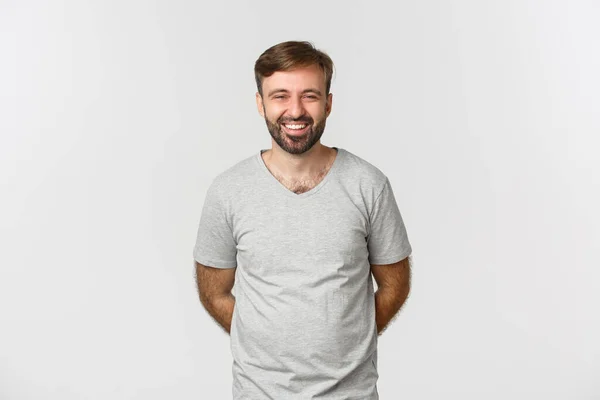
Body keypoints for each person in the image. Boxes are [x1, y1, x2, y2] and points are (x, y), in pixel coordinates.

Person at [193, 40, 413, 399]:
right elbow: (213, 290)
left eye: (309, 96)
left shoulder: (368, 184)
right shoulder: (228, 191)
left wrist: (349, 341)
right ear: (260, 103)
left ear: (328, 103)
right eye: (280, 96)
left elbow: (394, 284)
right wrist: (262, 342)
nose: (295, 110)